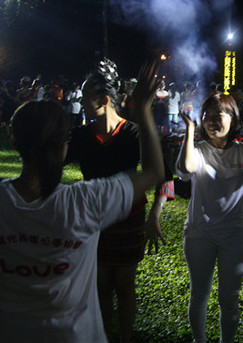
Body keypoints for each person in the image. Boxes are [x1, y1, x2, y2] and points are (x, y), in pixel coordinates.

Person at [0, 60, 164, 343]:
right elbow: (154, 172)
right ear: (64, 148)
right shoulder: (84, 202)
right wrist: (144, 109)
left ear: (14, 143)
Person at [65, 58, 151, 343]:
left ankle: (125, 337)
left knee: (125, 285)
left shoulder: (132, 133)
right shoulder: (80, 136)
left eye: (85, 95)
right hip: (94, 219)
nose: (81, 100)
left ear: (103, 99)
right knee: (100, 284)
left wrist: (156, 215)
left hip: (129, 217)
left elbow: (162, 176)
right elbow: (51, 164)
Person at [176, 93, 243, 343]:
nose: (211, 121)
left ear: (232, 119)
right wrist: (189, 130)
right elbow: (186, 169)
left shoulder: (242, 152)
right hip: (200, 233)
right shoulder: (198, 150)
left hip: (234, 236)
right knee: (199, 294)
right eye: (207, 116)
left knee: (229, 298)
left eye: (218, 115)